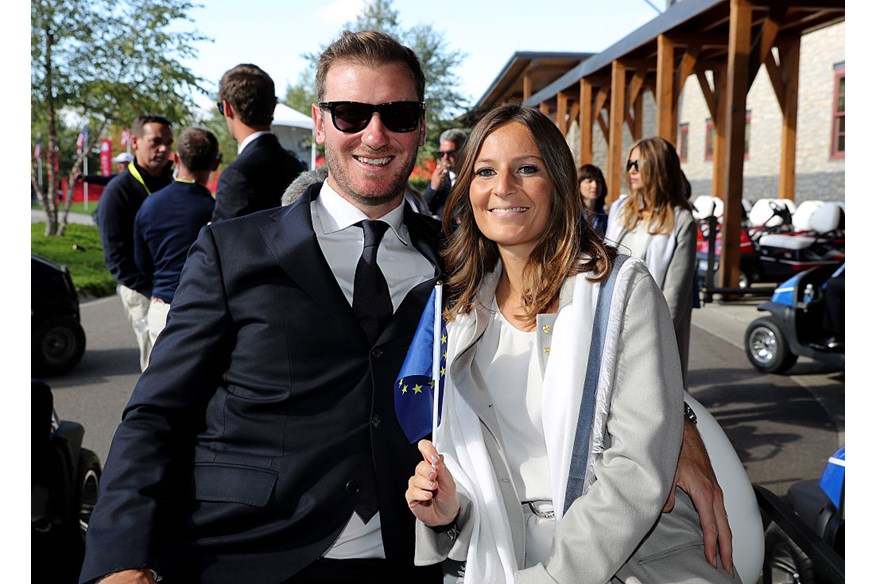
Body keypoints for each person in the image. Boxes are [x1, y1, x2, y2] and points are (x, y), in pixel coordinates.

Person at [80, 30, 445, 584]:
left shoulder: (455, 258)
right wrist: (119, 559)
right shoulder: (232, 250)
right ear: (320, 124)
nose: (375, 134)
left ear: (419, 124)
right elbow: (157, 412)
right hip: (243, 554)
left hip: (404, 556)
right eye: (350, 113)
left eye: (397, 114)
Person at [405, 104, 739, 583]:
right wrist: (446, 512)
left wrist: (553, 577)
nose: (503, 187)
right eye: (485, 171)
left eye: (526, 168)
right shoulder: (457, 312)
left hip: (627, 561)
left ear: (558, 183)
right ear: (467, 190)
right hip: (500, 559)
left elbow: (636, 467)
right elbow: (479, 468)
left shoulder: (621, 290)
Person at [605, 136, 697, 384]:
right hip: (611, 318)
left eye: (639, 164)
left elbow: (675, 293)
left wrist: (655, 339)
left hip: (653, 327)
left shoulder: (680, 220)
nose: (631, 170)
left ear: (658, 167)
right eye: (629, 163)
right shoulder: (621, 209)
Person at [96, 114, 174, 372]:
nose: (163, 149)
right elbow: (116, 259)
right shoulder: (118, 193)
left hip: (174, 286)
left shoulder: (172, 183)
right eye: (156, 142)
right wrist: (151, 291)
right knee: (156, 363)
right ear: (136, 142)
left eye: (168, 143)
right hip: (144, 291)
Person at [133, 127, 219, 349]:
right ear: (215, 164)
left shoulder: (149, 205)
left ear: (176, 158)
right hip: (201, 311)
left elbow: (142, 263)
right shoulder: (215, 211)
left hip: (161, 308)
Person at [212, 63, 307, 222]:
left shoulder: (236, 176)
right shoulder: (297, 168)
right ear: (273, 106)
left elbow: (222, 244)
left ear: (227, 108)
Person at [423, 128, 466, 218]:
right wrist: (433, 187)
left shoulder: (473, 176)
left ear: (464, 151)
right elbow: (423, 209)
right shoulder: (439, 178)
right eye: (441, 154)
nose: (445, 158)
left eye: (450, 153)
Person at [577, 163, 608, 236]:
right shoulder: (572, 216)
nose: (595, 186)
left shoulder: (605, 218)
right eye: (589, 181)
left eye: (598, 181)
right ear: (578, 185)